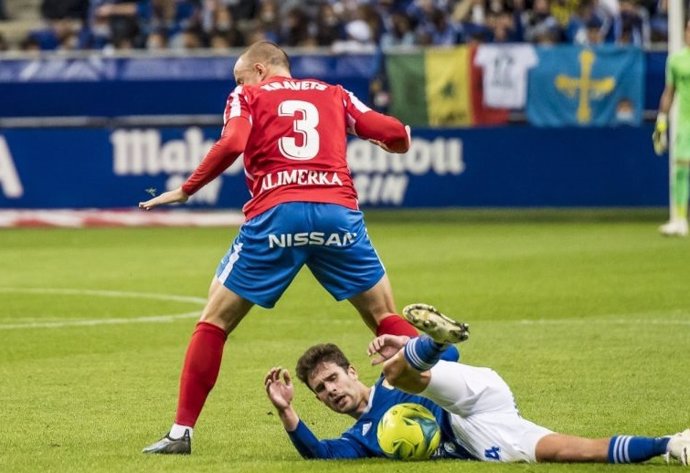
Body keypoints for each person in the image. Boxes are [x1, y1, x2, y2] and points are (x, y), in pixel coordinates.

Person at [139, 41, 419, 454]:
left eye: (239, 77)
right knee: (384, 317)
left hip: (277, 216)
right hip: (336, 215)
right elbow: (394, 133)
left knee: (214, 322)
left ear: (259, 69)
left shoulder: (247, 95)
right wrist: (396, 144)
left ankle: (181, 433)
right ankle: (456, 395)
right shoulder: (334, 94)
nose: (236, 85)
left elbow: (233, 143)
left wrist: (186, 190)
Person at [264, 303, 690, 465]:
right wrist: (287, 411)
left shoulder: (384, 380)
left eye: (333, 378)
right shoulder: (360, 438)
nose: (331, 390)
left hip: (465, 396)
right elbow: (319, 453)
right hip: (480, 431)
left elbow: (455, 358)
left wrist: (419, 350)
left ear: (351, 372)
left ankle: (425, 342)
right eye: (321, 390)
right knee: (570, 451)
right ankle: (670, 444)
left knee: (397, 372)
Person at [653, 19, 690, 237]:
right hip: (685, 122)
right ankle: (679, 219)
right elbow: (669, 91)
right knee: (681, 169)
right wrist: (661, 121)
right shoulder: (676, 60)